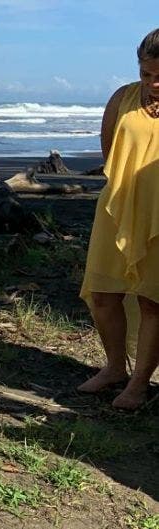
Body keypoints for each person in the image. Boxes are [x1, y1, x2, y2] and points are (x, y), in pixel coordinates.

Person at [78, 28, 159, 410]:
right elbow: (109, 148)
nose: (152, 83)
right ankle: (114, 367)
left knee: (152, 301)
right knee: (103, 294)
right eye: (146, 74)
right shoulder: (123, 98)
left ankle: (139, 383)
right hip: (118, 206)